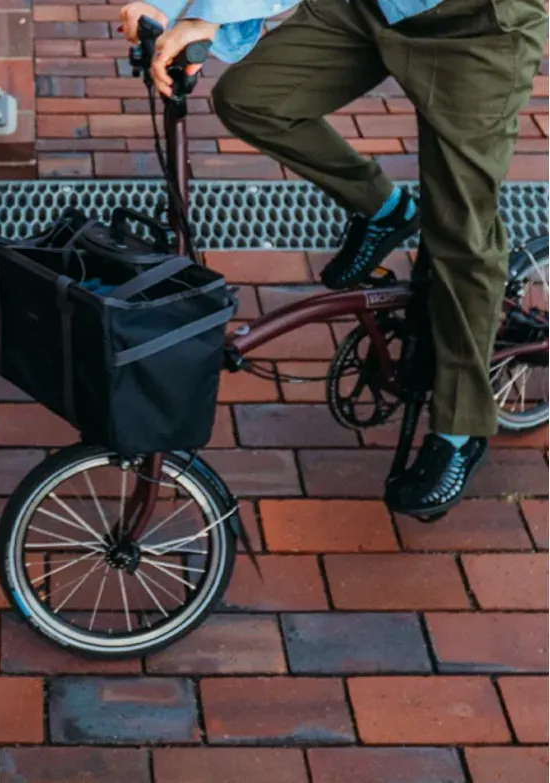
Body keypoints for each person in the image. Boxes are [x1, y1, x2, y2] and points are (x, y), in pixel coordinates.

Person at [119, 0, 547, 518]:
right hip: (376, 6)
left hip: (476, 26)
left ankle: (459, 431)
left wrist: (209, 14)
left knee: (461, 231)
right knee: (253, 97)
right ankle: (385, 208)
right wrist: (170, 7)